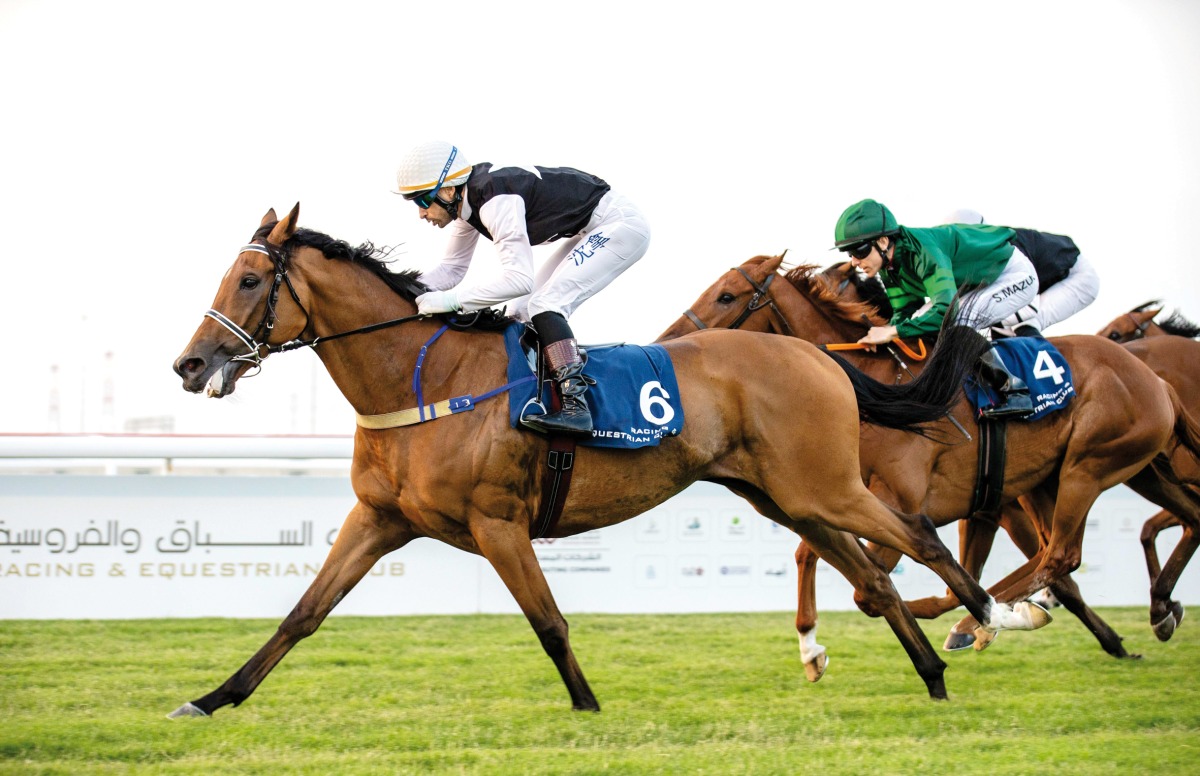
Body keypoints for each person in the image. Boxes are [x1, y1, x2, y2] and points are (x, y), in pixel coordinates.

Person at [395, 141, 651, 436]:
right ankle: (540, 392)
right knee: (520, 311)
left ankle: (576, 408)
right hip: (591, 226)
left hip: (620, 224)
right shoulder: (469, 204)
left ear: (449, 190)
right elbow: (451, 270)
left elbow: (519, 280)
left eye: (423, 200)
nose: (421, 213)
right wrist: (398, 290)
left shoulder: (495, 200)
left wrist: (450, 301)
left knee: (545, 304)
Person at [833, 199, 1039, 418]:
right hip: (979, 279)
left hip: (1012, 274)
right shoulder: (888, 266)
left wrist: (891, 332)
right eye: (849, 253)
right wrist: (885, 335)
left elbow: (946, 311)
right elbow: (906, 312)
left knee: (957, 320)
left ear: (883, 242)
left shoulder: (923, 251)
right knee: (921, 319)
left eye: (859, 250)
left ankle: (1016, 392)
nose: (854, 262)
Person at [942, 209, 1100, 338]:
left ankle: (1049, 366)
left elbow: (1026, 300)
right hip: (1051, 277)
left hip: (1078, 278)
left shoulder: (1007, 250)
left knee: (1023, 322)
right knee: (999, 327)